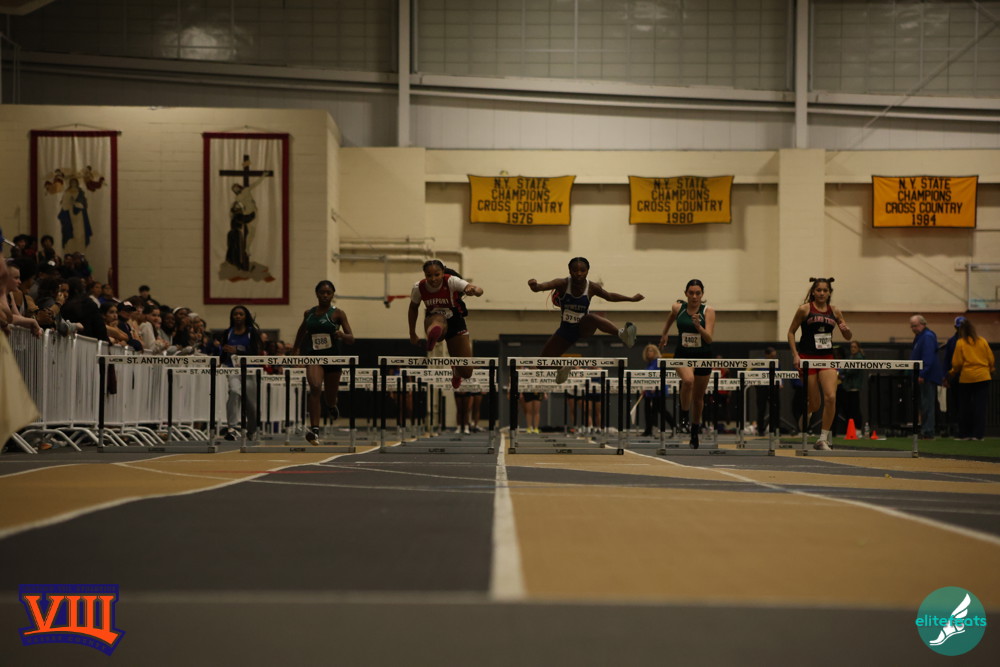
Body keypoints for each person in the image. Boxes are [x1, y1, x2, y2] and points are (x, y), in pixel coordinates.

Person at [528, 257, 641, 385]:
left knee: (591, 318)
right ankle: (561, 369)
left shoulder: (592, 287)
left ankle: (622, 334)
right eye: (575, 270)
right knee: (542, 363)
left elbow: (609, 296)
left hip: (583, 327)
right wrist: (535, 286)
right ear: (569, 271)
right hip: (565, 330)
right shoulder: (562, 283)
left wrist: (631, 299)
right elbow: (544, 286)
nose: (579, 273)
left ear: (587, 271)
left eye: (583, 270)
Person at [787, 277, 852, 451]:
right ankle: (807, 411)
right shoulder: (805, 309)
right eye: (819, 290)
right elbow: (791, 332)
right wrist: (795, 355)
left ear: (829, 293)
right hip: (807, 358)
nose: (822, 293)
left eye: (825, 290)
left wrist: (846, 330)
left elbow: (848, 337)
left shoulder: (835, 311)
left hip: (827, 358)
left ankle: (822, 439)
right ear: (813, 292)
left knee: (831, 397)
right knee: (815, 403)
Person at [292, 280, 355, 444]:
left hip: (333, 358)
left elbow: (351, 339)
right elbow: (301, 331)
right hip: (314, 357)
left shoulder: (338, 314)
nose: (325, 295)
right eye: (322, 292)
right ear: (317, 294)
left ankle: (332, 406)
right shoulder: (309, 313)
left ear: (333, 294)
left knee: (330, 397)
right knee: (315, 387)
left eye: (328, 292)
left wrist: (341, 335)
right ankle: (314, 430)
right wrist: (296, 349)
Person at [408, 259, 483, 389]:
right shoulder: (418, 287)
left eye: (437, 275)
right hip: (433, 318)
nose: (433, 279)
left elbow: (479, 290)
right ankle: (434, 334)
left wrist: (474, 290)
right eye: (429, 275)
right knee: (438, 320)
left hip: (455, 321)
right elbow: (413, 308)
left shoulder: (452, 281)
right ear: (425, 275)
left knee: (467, 372)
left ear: (443, 273)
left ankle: (456, 371)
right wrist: (412, 333)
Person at [658, 279, 715, 448]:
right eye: (691, 293)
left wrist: (698, 326)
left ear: (702, 294)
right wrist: (665, 333)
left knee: (698, 399)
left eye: (698, 293)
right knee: (688, 381)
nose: (694, 296)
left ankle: (695, 431)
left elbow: (709, 339)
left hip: (703, 356)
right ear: (686, 293)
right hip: (683, 354)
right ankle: (684, 416)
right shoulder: (678, 308)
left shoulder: (709, 311)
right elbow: (671, 317)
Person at [220, 305, 263, 441]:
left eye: (241, 314)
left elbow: (255, 352)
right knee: (234, 391)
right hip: (233, 369)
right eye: (235, 314)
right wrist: (220, 361)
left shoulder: (252, 332)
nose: (238, 316)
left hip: (250, 369)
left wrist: (237, 350)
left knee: (251, 404)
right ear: (232, 317)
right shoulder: (228, 332)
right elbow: (224, 351)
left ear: (246, 317)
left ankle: (251, 430)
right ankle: (231, 428)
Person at [948, 319, 995, 441]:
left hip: (967, 377)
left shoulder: (961, 343)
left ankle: (965, 433)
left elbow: (957, 363)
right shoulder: (982, 341)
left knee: (965, 406)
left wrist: (952, 372)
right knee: (980, 406)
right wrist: (990, 369)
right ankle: (978, 435)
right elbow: (990, 358)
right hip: (983, 376)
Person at [909, 314, 945, 439]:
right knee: (924, 404)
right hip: (923, 375)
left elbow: (928, 357)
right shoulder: (921, 337)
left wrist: (923, 373)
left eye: (915, 326)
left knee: (927, 404)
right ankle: (925, 430)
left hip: (927, 376)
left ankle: (928, 431)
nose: (913, 329)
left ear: (923, 324)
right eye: (911, 326)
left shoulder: (927, 336)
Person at [640, 343, 674, 436]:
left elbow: (660, 375)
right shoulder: (649, 363)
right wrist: (645, 388)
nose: (648, 353)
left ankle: (674, 426)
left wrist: (655, 386)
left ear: (655, 352)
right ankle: (649, 430)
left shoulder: (658, 362)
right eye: (647, 351)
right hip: (648, 391)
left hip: (658, 390)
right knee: (648, 410)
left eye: (650, 351)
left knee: (661, 410)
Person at [753, 346, 780, 436]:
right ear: (766, 355)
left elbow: (779, 373)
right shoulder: (759, 362)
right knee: (761, 409)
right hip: (761, 387)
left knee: (775, 408)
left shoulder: (776, 362)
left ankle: (775, 428)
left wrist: (781, 382)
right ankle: (760, 429)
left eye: (774, 356)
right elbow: (753, 373)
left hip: (773, 387)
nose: (773, 358)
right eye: (772, 356)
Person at [839, 340, 865, 434]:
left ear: (858, 348)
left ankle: (858, 429)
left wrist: (843, 372)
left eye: (854, 347)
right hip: (848, 387)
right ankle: (851, 429)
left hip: (854, 387)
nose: (852, 349)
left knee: (855, 409)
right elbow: (844, 369)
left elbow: (851, 371)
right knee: (848, 409)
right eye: (851, 347)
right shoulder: (850, 357)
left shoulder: (859, 358)